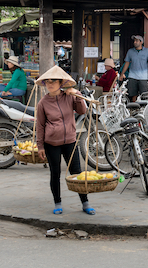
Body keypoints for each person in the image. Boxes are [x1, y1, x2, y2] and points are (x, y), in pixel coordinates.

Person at [35, 65, 95, 216]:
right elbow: (40, 126)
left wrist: (77, 94)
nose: (50, 84)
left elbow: (82, 110)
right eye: (47, 82)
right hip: (51, 144)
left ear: (60, 83)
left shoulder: (69, 96)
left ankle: (85, 203)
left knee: (77, 173)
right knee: (55, 173)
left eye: (53, 81)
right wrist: (40, 145)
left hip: (70, 141)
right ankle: (57, 202)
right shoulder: (43, 103)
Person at [119, 35, 148, 101]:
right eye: (134, 41)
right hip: (132, 76)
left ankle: (142, 109)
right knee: (132, 94)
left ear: (141, 42)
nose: (135, 42)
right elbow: (127, 63)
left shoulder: (147, 51)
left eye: (137, 41)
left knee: (143, 95)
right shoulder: (130, 51)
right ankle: (134, 108)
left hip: (143, 77)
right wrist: (122, 74)